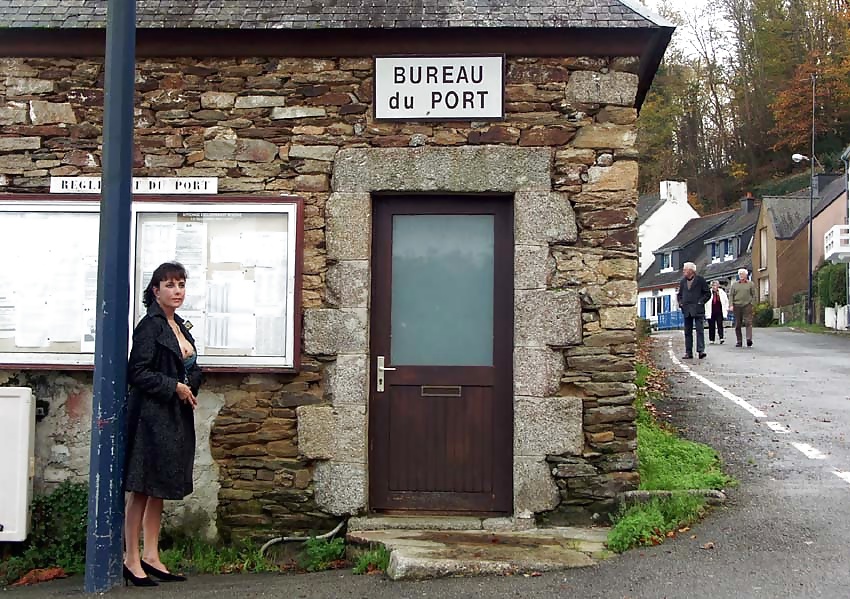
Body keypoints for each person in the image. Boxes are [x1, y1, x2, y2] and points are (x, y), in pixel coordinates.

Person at [123, 262, 202, 587]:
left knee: (159, 490)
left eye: (181, 284)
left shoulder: (180, 325)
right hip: (150, 418)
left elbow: (191, 366)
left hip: (174, 416)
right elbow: (137, 371)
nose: (177, 291)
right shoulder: (150, 326)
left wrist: (190, 384)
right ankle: (130, 558)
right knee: (142, 488)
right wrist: (174, 387)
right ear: (155, 291)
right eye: (169, 285)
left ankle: (152, 555)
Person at [676, 262, 711, 359]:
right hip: (686, 309)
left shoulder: (700, 280)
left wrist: (701, 302)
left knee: (699, 330)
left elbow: (707, 293)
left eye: (685, 270)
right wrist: (681, 302)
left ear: (691, 271)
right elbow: (679, 294)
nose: (683, 271)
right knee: (687, 332)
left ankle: (701, 351)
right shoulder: (683, 281)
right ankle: (688, 352)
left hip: (698, 309)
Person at [730, 267, 756, 347]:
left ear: (746, 275)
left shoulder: (750, 284)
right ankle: (739, 341)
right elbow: (731, 295)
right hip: (737, 305)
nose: (741, 275)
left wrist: (752, 303)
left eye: (742, 274)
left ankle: (749, 339)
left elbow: (754, 294)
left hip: (747, 305)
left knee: (748, 322)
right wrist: (731, 305)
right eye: (740, 274)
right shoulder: (734, 285)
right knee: (738, 324)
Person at [704, 280, 730, 344]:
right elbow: (705, 302)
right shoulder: (708, 292)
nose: (714, 287)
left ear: (718, 286)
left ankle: (721, 338)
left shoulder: (722, 292)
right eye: (713, 285)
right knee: (711, 326)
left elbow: (726, 301)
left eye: (715, 285)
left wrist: (726, 308)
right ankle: (711, 339)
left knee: (720, 325)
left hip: (719, 311)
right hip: (711, 311)